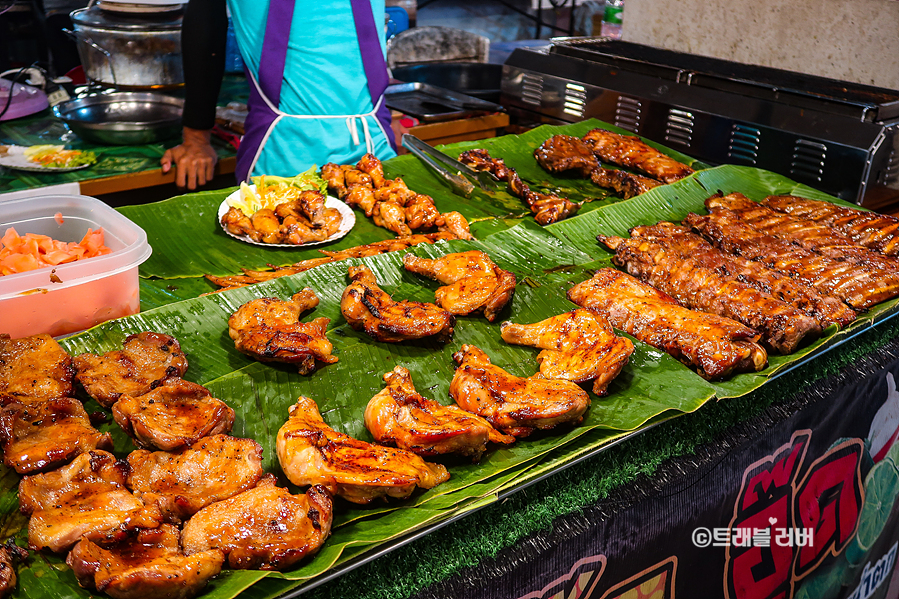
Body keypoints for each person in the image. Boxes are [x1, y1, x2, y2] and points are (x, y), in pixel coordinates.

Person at [161, 0, 397, 190]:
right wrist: (196, 138)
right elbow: (206, 24)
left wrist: (383, 113)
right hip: (284, 154)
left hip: (373, 147)